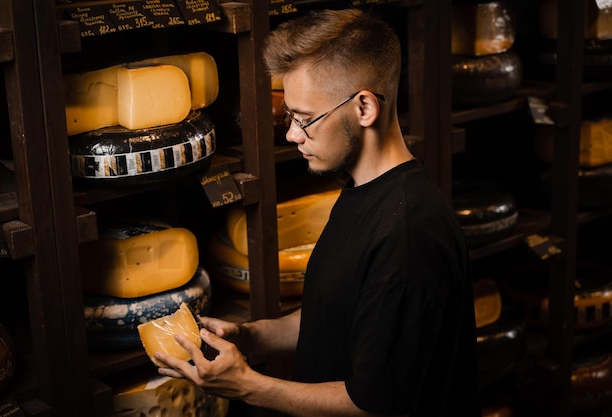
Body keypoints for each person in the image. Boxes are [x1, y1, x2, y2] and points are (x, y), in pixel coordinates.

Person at [155, 8, 482, 417]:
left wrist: (246, 386)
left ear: (364, 108)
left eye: (305, 119)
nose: (292, 134)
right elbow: (336, 314)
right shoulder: (362, 191)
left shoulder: (409, 233)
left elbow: (373, 405)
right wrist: (249, 337)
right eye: (290, 117)